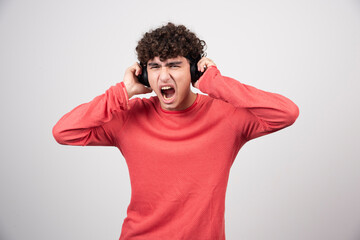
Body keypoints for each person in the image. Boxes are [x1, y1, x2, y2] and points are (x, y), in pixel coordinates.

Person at [52, 22, 299, 240]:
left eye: (174, 65)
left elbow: (286, 113)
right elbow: (64, 132)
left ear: (193, 71)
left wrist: (215, 83)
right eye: (155, 67)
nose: (164, 76)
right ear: (146, 75)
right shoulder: (130, 115)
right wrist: (123, 91)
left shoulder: (225, 117)